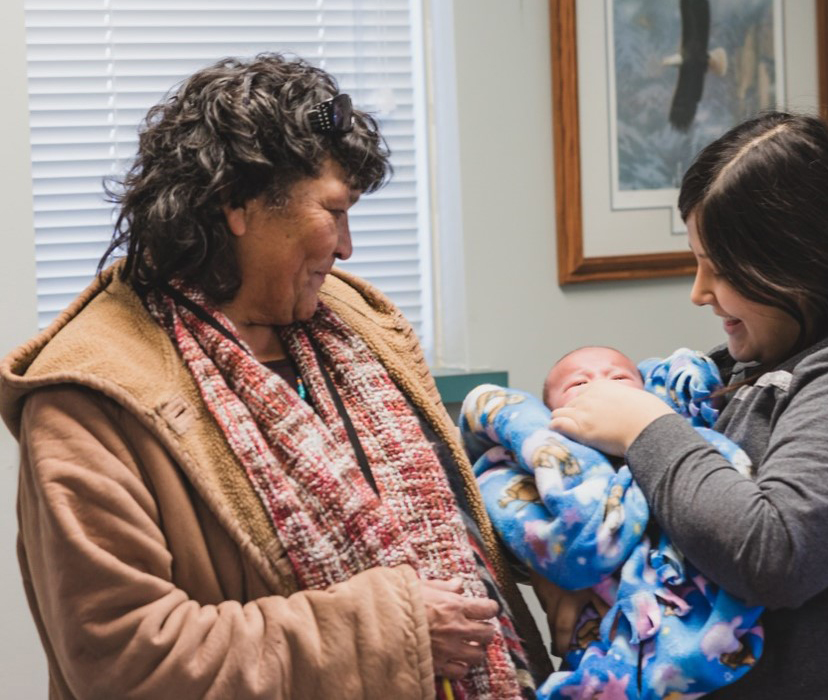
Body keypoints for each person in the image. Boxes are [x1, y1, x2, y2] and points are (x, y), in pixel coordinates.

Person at [0, 53, 550, 699]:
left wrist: (561, 564)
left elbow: (455, 528)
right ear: (238, 203)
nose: (347, 248)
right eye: (333, 211)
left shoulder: (357, 324)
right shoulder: (92, 398)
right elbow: (123, 659)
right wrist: (387, 629)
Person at [549, 112, 828, 699]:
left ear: (796, 262)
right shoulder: (751, 367)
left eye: (720, 268)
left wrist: (643, 425)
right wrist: (565, 571)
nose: (699, 292)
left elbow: (773, 553)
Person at [462, 345, 762, 699]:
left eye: (619, 377)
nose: (602, 386)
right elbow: (523, 529)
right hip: (603, 621)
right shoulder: (537, 463)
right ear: (551, 413)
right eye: (578, 383)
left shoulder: (683, 432)